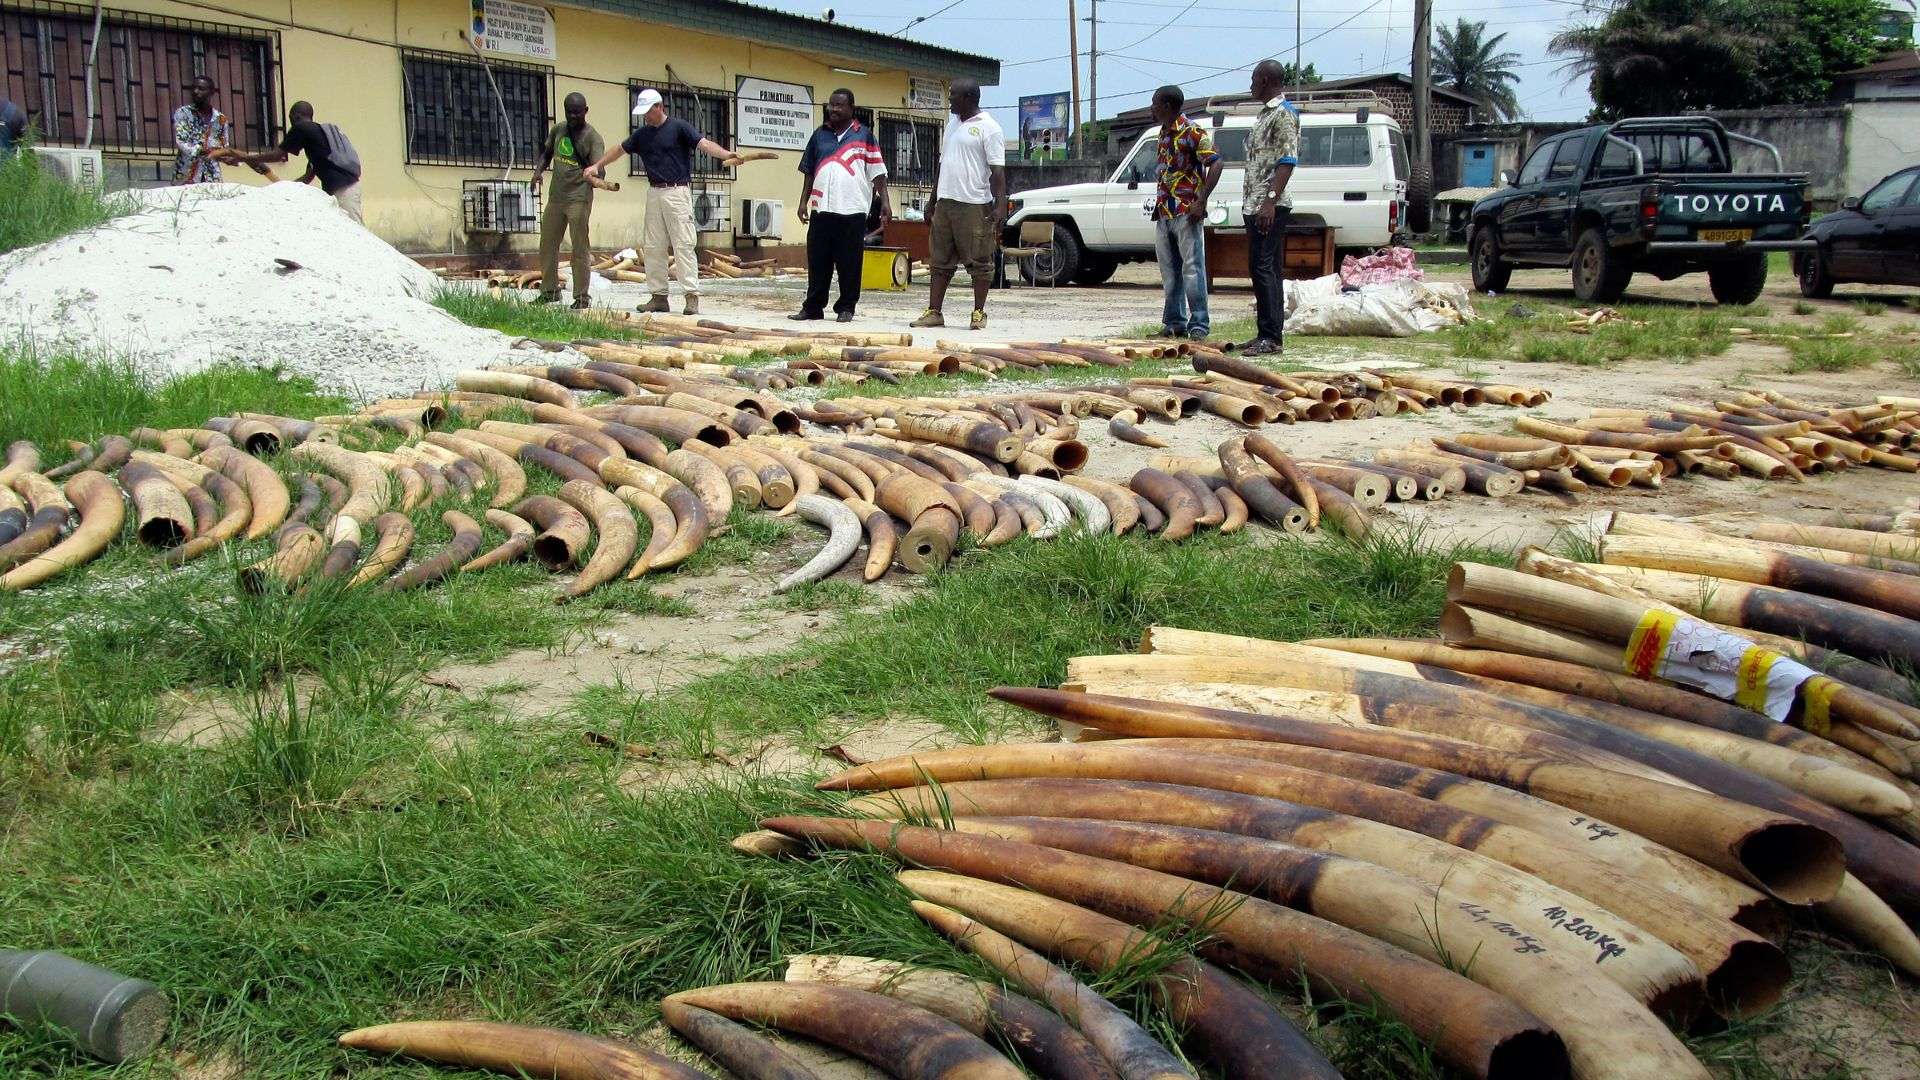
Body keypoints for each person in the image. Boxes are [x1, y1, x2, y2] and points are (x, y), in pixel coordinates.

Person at [586, 87, 734, 316]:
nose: (645, 116)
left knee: (683, 244)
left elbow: (703, 144)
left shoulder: (679, 128)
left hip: (677, 192)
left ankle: (691, 296)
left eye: (648, 110)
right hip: (654, 192)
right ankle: (658, 296)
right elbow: (619, 149)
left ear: (659, 107)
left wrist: (727, 155)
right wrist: (597, 165)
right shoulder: (642, 134)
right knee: (654, 247)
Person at [913, 79, 1005, 331]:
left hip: (974, 204)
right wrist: (932, 201)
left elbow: (998, 171)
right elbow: (942, 165)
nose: (950, 99)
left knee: (979, 261)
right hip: (946, 203)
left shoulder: (990, 128)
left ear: (969, 98)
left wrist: (1000, 205)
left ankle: (978, 313)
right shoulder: (952, 124)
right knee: (940, 260)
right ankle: (934, 312)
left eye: (953, 95)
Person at [792, 88, 888, 323]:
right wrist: (803, 201)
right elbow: (808, 171)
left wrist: (885, 202)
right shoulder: (819, 135)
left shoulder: (864, 136)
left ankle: (846, 307)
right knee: (818, 261)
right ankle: (813, 307)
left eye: (839, 105)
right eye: (831, 105)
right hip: (821, 208)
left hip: (852, 209)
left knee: (849, 263)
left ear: (851, 108)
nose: (833, 109)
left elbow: (878, 174)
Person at [1148, 85, 1223, 341]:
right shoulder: (1163, 134)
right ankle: (1174, 322)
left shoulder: (1192, 132)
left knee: (1192, 269)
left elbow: (1216, 163)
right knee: (1170, 271)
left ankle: (1199, 324)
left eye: (1155, 103)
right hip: (1164, 210)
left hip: (1186, 210)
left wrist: (1201, 201)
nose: (1152, 108)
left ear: (1168, 106)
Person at [1240, 59, 1299, 357]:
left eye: (1253, 79)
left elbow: (1287, 161)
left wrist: (1270, 201)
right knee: (1262, 267)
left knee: (1265, 268)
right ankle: (1265, 332)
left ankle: (1271, 337)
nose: (1250, 85)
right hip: (1254, 204)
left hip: (1269, 205)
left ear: (1264, 79)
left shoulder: (1284, 115)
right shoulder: (1264, 115)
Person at [233, 101, 364, 223]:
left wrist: (243, 157)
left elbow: (277, 155)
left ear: (295, 116)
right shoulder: (318, 142)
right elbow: (307, 178)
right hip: (349, 187)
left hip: (343, 190)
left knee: (356, 231)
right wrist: (284, 189)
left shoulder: (301, 127)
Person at [530, 93, 604, 309]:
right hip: (556, 197)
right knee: (547, 245)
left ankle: (581, 297)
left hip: (578, 199)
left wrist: (596, 178)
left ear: (586, 110)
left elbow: (600, 168)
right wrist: (537, 172)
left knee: (579, 249)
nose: (572, 116)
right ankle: (549, 291)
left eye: (577, 112)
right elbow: (547, 153)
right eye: (569, 112)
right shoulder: (559, 129)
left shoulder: (593, 138)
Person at [172, 74, 231, 185]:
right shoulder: (183, 113)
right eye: (193, 88)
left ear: (211, 92)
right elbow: (181, 141)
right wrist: (207, 151)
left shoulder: (221, 119)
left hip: (212, 174)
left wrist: (227, 155)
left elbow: (224, 146)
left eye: (201, 88)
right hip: (186, 173)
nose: (195, 91)